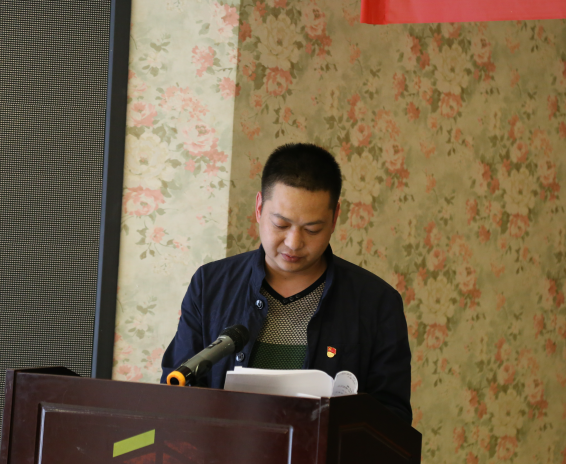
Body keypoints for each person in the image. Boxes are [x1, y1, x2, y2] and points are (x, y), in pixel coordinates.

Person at [160, 143, 412, 423]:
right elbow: (175, 392)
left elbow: (393, 420)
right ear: (259, 208)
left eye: (312, 229)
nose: (294, 243)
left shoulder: (376, 303)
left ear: (334, 218)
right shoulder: (210, 285)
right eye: (281, 225)